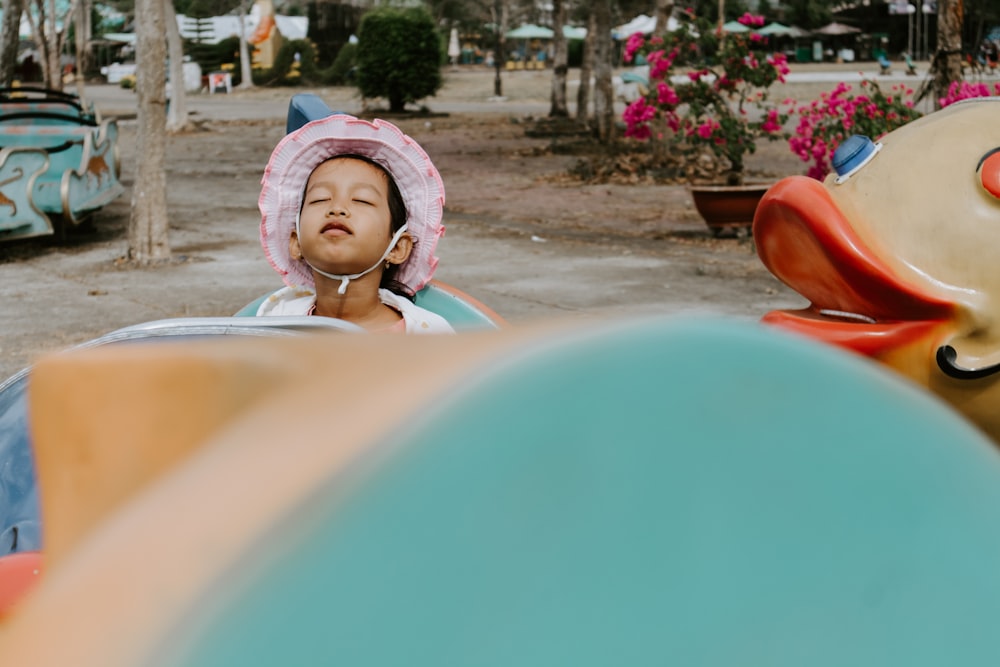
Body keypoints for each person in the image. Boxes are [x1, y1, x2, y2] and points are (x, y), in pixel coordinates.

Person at [256, 113, 453, 333]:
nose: (336, 209)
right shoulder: (274, 324)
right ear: (295, 242)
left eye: (362, 200)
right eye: (320, 199)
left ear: (398, 247)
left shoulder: (427, 335)